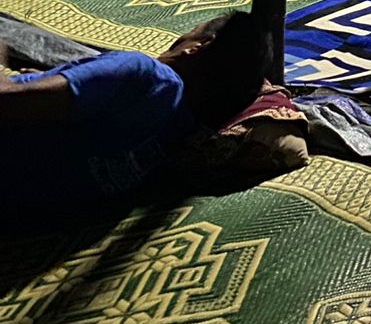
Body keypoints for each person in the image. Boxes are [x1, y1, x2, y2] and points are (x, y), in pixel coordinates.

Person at [0, 11, 272, 214]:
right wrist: (51, 80)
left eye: (190, 32)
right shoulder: (179, 128)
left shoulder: (140, 73)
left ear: (196, 47)